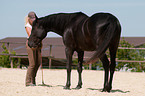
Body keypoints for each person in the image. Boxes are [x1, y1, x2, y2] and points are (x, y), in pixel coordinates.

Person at [24, 11, 42, 86]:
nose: (33, 20)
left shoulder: (36, 25)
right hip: (30, 45)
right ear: (29, 19)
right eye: (32, 19)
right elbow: (31, 35)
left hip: (37, 44)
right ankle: (28, 82)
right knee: (32, 64)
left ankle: (33, 80)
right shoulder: (28, 26)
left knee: (38, 63)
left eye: (34, 18)